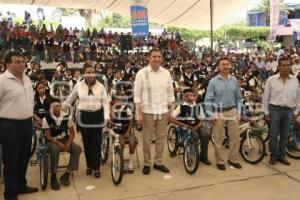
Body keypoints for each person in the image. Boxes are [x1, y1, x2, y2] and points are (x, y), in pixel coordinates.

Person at [0, 51, 38, 200]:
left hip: (27, 124)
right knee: (11, 162)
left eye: (23, 61)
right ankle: (10, 194)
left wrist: (32, 115)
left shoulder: (27, 79)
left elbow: (28, 100)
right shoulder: (2, 81)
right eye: (17, 62)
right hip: (9, 126)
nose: (22, 64)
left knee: (24, 158)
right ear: (7, 64)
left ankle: (21, 185)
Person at [63, 64, 110, 178]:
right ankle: (89, 166)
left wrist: (107, 116)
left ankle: (96, 167)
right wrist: (61, 108)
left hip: (97, 116)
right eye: (88, 72)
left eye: (92, 72)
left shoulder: (100, 86)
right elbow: (70, 99)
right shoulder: (78, 85)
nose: (90, 74)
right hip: (83, 116)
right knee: (87, 142)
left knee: (96, 142)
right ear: (84, 73)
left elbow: (105, 102)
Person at [134, 48, 175, 175]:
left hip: (163, 110)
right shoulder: (142, 73)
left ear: (161, 58)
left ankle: (158, 162)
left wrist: (171, 112)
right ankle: (147, 163)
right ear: (149, 58)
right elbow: (137, 95)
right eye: (154, 56)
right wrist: (138, 113)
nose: (157, 59)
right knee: (147, 139)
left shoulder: (166, 73)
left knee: (161, 138)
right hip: (147, 111)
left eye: (159, 56)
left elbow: (170, 93)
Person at [204, 57, 242, 171]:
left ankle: (233, 159)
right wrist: (210, 114)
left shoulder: (234, 80)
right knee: (218, 138)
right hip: (218, 112)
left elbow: (239, 98)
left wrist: (239, 112)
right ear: (218, 67)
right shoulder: (213, 82)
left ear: (230, 66)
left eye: (227, 64)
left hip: (232, 111)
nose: (225, 66)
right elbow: (208, 99)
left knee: (235, 138)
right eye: (223, 64)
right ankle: (220, 160)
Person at [262, 57, 300, 166]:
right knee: (273, 134)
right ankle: (273, 155)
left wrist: (296, 112)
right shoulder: (271, 80)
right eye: (283, 65)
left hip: (288, 111)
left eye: (288, 65)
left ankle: (282, 155)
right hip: (274, 110)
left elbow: (298, 98)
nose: (286, 67)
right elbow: (265, 97)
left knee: (284, 135)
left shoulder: (295, 81)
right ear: (278, 67)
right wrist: (266, 112)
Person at [43, 99, 82, 190]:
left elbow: (72, 133)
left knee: (77, 148)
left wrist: (68, 144)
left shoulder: (66, 117)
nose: (57, 107)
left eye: (58, 105)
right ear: (50, 108)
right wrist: (58, 143)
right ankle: (53, 176)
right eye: (54, 106)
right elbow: (48, 136)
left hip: (64, 139)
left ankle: (67, 173)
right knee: (55, 149)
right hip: (51, 141)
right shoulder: (47, 118)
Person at [171, 89, 211, 165]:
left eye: (191, 95)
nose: (190, 97)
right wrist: (185, 125)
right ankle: (190, 156)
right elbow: (171, 119)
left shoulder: (198, 106)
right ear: (184, 97)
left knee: (205, 134)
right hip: (185, 126)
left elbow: (202, 120)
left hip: (197, 126)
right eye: (187, 95)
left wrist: (197, 126)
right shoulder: (181, 106)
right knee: (194, 135)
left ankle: (203, 156)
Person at [111, 96, 137, 173]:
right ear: (113, 102)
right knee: (121, 144)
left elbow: (131, 122)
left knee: (132, 143)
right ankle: (120, 162)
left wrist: (128, 132)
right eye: (117, 100)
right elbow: (110, 122)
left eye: (120, 99)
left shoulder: (126, 108)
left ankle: (130, 163)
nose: (119, 101)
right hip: (117, 132)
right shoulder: (111, 109)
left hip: (126, 130)